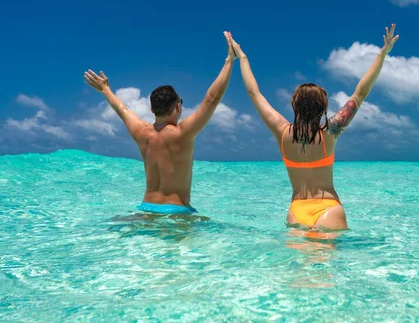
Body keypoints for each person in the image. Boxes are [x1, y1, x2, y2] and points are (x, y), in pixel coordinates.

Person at [225, 24, 399, 230]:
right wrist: (382, 54)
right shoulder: (330, 133)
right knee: (330, 263)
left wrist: (241, 57)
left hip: (296, 211)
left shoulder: (282, 132)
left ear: (294, 105)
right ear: (323, 107)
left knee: (296, 263)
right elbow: (359, 94)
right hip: (328, 209)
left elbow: (254, 94)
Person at [83, 32, 238, 214]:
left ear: (151, 110)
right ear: (178, 107)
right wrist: (230, 60)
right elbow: (212, 98)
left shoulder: (141, 133)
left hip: (146, 210)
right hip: (177, 213)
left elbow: (122, 110)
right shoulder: (182, 133)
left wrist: (105, 89)